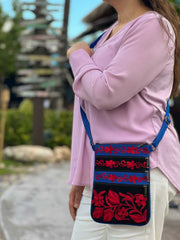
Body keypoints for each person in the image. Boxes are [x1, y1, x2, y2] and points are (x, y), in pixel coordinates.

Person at [67, 0, 180, 239]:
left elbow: (105, 93)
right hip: (103, 170)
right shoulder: (108, 34)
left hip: (141, 167)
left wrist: (77, 54)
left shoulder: (153, 26)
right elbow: (88, 110)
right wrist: (82, 174)